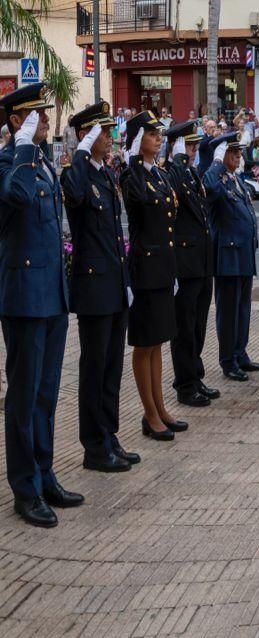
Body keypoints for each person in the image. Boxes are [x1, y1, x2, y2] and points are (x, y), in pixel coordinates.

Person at [0, 83, 84, 527]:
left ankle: (45, 472)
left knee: (47, 394)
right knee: (24, 395)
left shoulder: (42, 164)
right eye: (37, 116)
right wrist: (20, 149)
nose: (47, 122)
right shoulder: (10, 163)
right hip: (23, 298)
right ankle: (25, 488)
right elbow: (14, 198)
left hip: (51, 293)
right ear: (17, 121)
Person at [62, 102, 139, 474]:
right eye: (100, 132)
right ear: (84, 135)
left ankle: (109, 435)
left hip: (113, 283)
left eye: (108, 132)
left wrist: (126, 282)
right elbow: (73, 195)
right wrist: (80, 150)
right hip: (93, 288)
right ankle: (93, 447)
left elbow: (113, 232)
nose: (108, 137)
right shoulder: (77, 174)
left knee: (111, 368)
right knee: (93, 369)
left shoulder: (105, 175)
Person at [121, 110, 188, 443]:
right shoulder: (131, 176)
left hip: (163, 267)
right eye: (151, 135)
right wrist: (133, 159)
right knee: (144, 343)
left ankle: (160, 408)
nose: (158, 139)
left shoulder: (160, 175)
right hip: (144, 270)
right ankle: (148, 414)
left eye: (159, 135)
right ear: (137, 141)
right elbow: (136, 199)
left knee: (158, 341)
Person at [166, 121, 218, 409]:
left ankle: (195, 376)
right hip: (185, 264)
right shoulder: (173, 173)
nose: (193, 150)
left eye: (195, 145)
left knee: (198, 326)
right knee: (184, 328)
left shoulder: (192, 173)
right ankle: (184, 384)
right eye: (187, 145)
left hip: (201, 262)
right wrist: (175, 159)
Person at [205, 134, 259, 382]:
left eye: (239, 152)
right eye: (233, 152)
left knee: (243, 309)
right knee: (228, 311)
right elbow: (209, 188)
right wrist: (216, 163)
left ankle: (240, 353)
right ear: (222, 155)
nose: (238, 156)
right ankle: (228, 360)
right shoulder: (216, 179)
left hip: (243, 254)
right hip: (228, 255)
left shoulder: (235, 179)